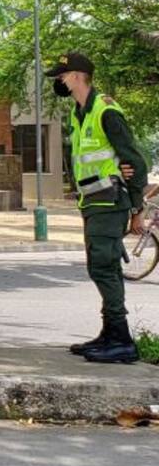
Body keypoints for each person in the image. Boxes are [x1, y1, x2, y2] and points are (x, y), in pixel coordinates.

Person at [45, 52, 149, 363]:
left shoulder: (105, 111)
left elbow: (135, 162)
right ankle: (110, 333)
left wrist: (137, 209)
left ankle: (120, 340)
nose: (59, 81)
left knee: (104, 267)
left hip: (110, 202)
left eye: (62, 76)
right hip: (93, 203)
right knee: (99, 267)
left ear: (77, 76)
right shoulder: (79, 114)